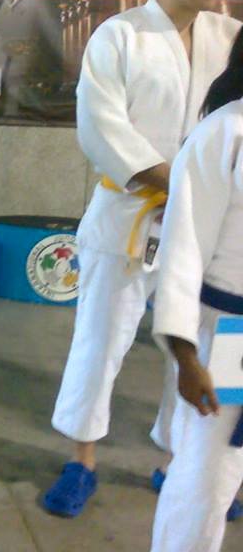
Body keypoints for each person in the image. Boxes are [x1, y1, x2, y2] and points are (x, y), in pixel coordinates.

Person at [43, 0, 242, 517]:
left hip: (208, 231)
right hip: (129, 213)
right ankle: (81, 459)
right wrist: (180, 183)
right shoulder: (119, 36)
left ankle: (177, 459)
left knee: (196, 343)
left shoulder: (233, 36)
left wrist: (203, 195)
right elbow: (102, 127)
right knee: (101, 340)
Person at [150, 31, 243, 551]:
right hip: (229, 334)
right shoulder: (224, 132)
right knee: (208, 474)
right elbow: (183, 251)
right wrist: (186, 356)